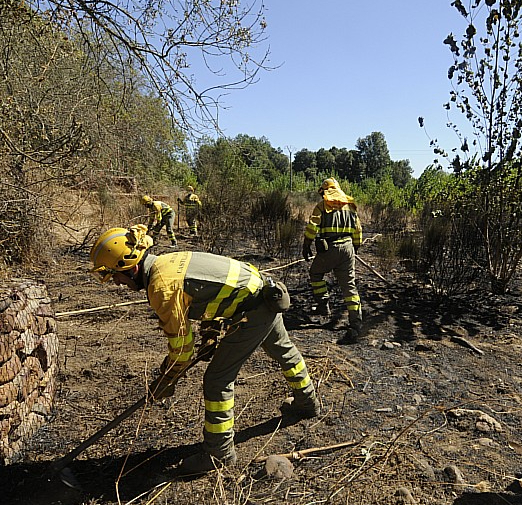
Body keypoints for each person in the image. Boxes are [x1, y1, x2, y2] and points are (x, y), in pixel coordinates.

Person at [89, 224, 321, 474]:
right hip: (264, 292)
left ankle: (218, 453)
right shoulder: (168, 261)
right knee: (283, 351)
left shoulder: (161, 287)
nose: (116, 283)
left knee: (216, 381)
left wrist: (167, 378)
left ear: (130, 267)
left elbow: (182, 349)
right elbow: (212, 291)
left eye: (114, 275)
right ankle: (307, 403)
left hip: (253, 310)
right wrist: (209, 332)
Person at [302, 178, 363, 344]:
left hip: (330, 249)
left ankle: (323, 305)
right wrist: (355, 247)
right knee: (349, 286)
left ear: (325, 191)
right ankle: (356, 322)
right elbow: (358, 230)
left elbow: (312, 226)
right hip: (348, 249)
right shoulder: (351, 206)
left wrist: (306, 244)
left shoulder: (322, 206)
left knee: (315, 273)